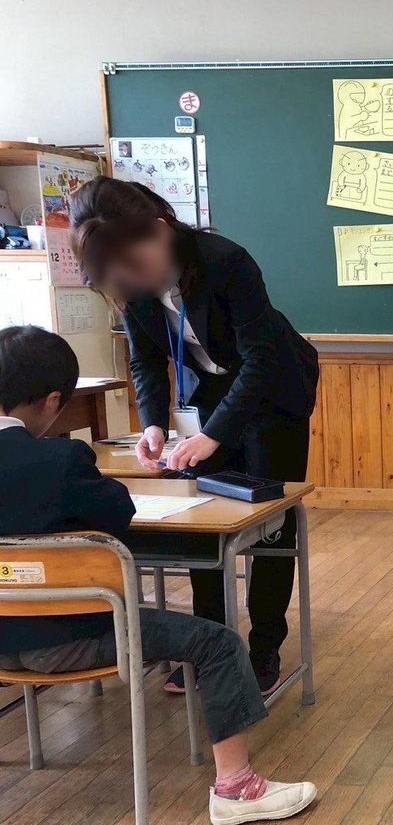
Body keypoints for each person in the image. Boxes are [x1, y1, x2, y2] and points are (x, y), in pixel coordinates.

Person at [0, 326, 316, 825]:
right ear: (52, 400)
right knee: (218, 643)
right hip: (68, 642)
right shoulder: (61, 461)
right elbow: (117, 511)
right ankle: (236, 790)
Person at [70, 177, 319, 696]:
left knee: (271, 525)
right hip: (210, 394)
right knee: (204, 520)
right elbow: (145, 360)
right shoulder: (128, 282)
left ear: (161, 230)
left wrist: (212, 436)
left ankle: (264, 648)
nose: (131, 279)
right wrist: (153, 424)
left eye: (135, 264)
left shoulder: (226, 261)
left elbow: (260, 360)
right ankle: (212, 646)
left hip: (275, 392)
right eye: (117, 274)